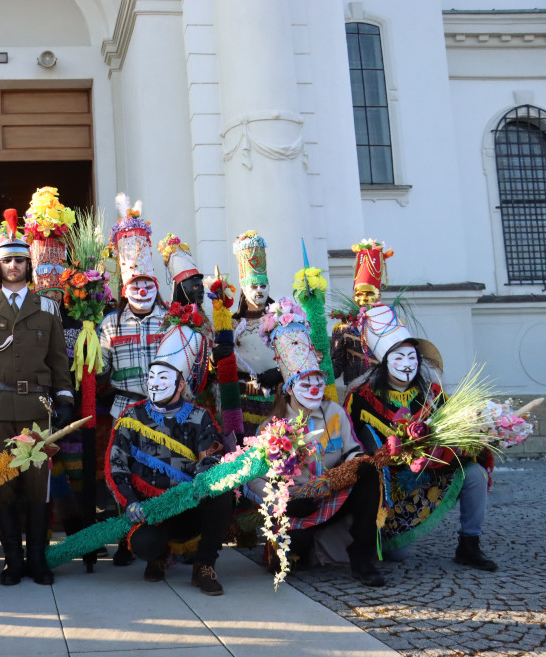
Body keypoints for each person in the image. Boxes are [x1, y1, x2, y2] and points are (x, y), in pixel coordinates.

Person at [0, 208, 75, 586]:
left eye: (20, 260)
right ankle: (12, 560)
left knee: (37, 485)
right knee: (2, 485)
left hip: (36, 410)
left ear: (29, 265)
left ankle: (37, 559)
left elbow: (60, 361)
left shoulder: (47, 307)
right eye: (7, 260)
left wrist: (65, 400)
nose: (14, 266)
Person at [344, 305, 497, 571]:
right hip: (390, 487)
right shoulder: (361, 399)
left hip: (434, 472)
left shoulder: (434, 394)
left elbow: (458, 435)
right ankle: (374, 536)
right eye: (398, 357)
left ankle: (469, 544)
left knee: (474, 474)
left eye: (412, 357)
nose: (406, 364)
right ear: (384, 362)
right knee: (397, 555)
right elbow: (354, 447)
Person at [246, 298, 385, 586]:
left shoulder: (334, 412)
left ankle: (363, 558)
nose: (314, 389)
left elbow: (352, 450)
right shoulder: (271, 427)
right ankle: (300, 551)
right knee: (296, 551)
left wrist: (350, 468)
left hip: (334, 495)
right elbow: (255, 479)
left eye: (319, 383)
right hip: (299, 505)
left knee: (369, 473)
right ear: (289, 389)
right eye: (306, 384)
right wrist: (283, 499)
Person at [105, 317, 233, 593]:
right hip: (152, 512)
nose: (155, 384)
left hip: (191, 505)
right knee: (145, 544)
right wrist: (130, 502)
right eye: (151, 377)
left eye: (163, 378)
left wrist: (199, 485)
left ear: (180, 385)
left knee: (223, 492)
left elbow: (211, 456)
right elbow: (117, 466)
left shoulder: (200, 417)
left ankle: (204, 564)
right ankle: (158, 557)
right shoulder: (131, 416)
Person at [97, 195, 168, 565]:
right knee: (122, 471)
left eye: (147, 283)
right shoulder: (109, 324)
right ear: (124, 289)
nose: (141, 290)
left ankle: (161, 535)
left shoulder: (173, 320)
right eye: (134, 285)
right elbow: (100, 370)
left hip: (164, 411)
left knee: (161, 469)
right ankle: (127, 536)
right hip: (125, 407)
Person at [231, 231, 282, 438]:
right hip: (245, 398)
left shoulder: (282, 319)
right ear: (244, 290)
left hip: (279, 396)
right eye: (254, 286)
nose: (259, 290)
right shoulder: (232, 323)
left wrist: (279, 374)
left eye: (263, 286)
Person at [331, 240, 391, 387]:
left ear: (379, 296)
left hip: (384, 392)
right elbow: (336, 368)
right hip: (355, 394)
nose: (363, 298)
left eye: (369, 293)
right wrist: (320, 365)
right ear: (353, 297)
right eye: (359, 294)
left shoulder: (391, 324)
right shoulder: (342, 328)